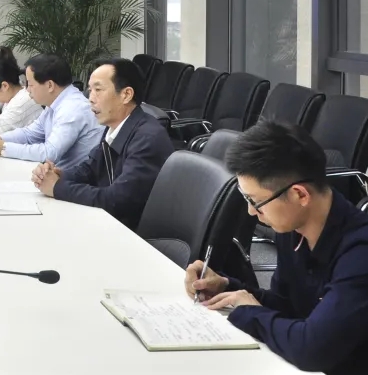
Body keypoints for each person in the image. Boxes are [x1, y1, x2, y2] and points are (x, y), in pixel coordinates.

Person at [185, 121, 368, 375]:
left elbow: (311, 350)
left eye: (256, 201)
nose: (251, 212)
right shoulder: (293, 228)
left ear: (299, 195)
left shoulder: (360, 253)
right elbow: (288, 307)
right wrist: (228, 288)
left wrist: (250, 313)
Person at [31, 58, 173, 231]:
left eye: (98, 90)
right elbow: (90, 169)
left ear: (126, 95)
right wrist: (59, 175)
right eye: (90, 90)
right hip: (112, 225)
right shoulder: (114, 126)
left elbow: (116, 200)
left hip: (136, 235)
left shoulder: (147, 138)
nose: (91, 99)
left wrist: (57, 187)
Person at [0, 53, 102, 169]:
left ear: (50, 85)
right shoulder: (54, 103)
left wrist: (3, 148)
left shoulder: (72, 108)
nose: (27, 90)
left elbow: (50, 153)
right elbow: (30, 134)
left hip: (74, 179)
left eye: (30, 85)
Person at [0, 55, 43, 132]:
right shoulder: (15, 97)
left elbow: (0, 129)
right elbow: (6, 119)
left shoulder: (20, 102)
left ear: (4, 86)